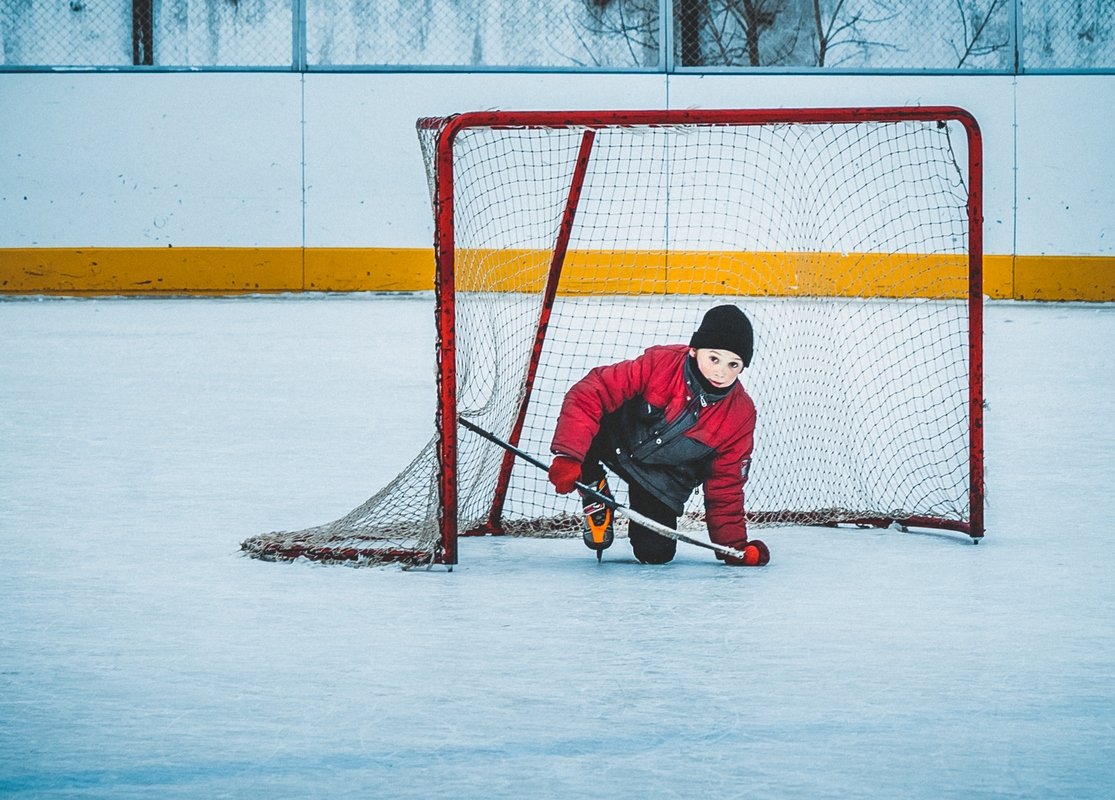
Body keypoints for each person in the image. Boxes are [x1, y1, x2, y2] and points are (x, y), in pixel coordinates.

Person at [547, 305, 769, 566]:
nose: (722, 372)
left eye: (734, 364)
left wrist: (734, 547)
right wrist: (569, 457)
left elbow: (726, 485)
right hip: (615, 441)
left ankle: (643, 530)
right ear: (694, 349)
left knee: (655, 554)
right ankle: (594, 489)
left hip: (659, 480)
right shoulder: (661, 364)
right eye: (714, 359)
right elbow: (589, 392)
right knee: (587, 425)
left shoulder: (740, 415)